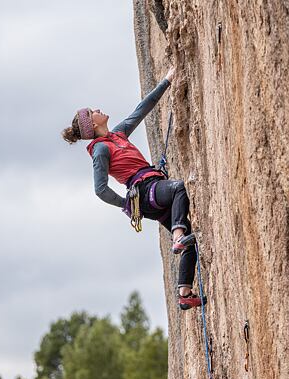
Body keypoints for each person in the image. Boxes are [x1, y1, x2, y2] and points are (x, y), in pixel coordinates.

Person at [61, 67, 205, 310]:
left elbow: (142, 109)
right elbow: (100, 189)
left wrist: (167, 81)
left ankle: (184, 293)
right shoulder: (100, 150)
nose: (97, 110)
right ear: (92, 124)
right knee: (179, 188)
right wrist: (126, 204)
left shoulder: (117, 135)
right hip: (145, 192)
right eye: (92, 112)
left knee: (191, 240)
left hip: (150, 192)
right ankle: (178, 237)